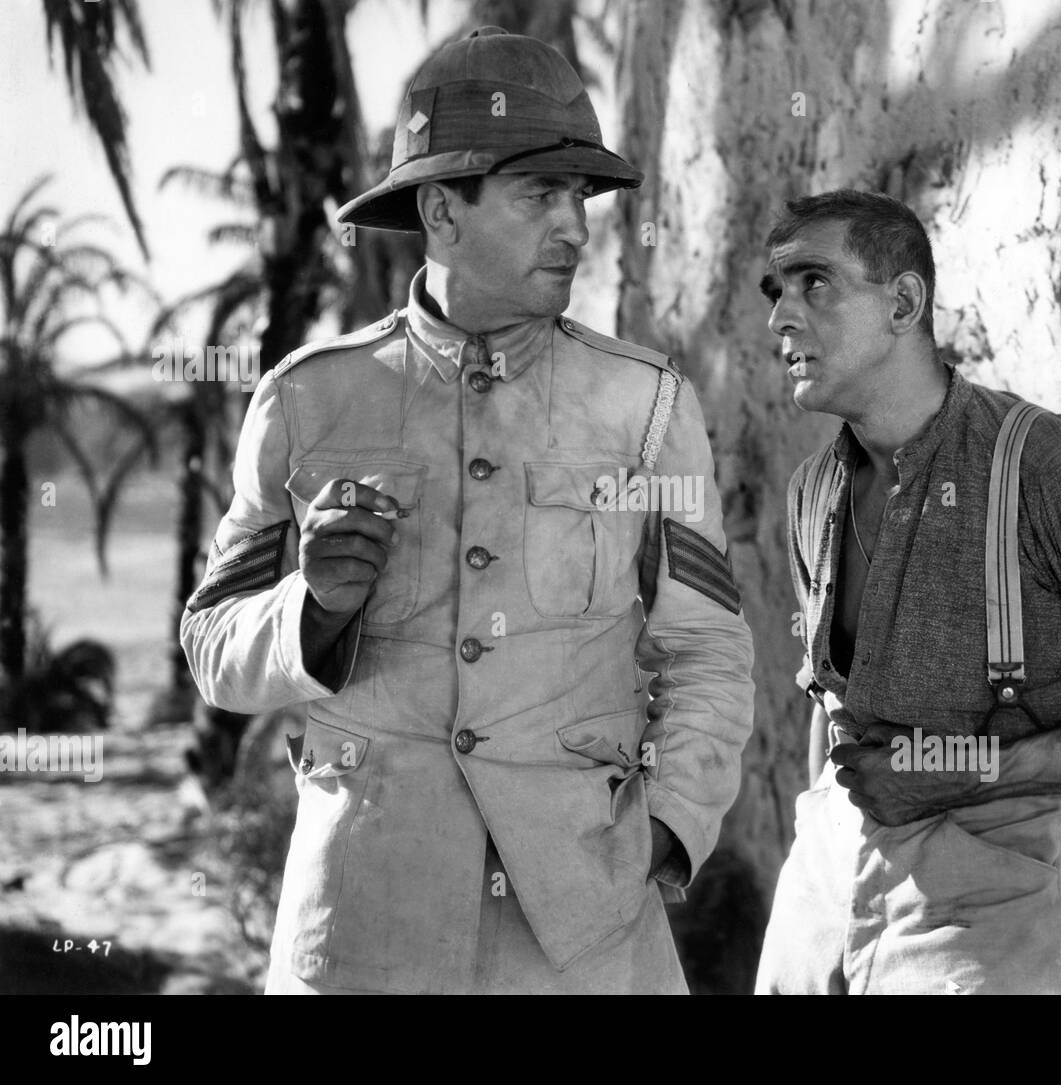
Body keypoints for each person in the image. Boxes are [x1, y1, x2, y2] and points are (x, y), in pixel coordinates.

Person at [180, 26, 754, 995]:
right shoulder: (309, 399)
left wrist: (667, 826)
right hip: (364, 919)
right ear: (442, 213)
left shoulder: (644, 403)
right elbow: (212, 647)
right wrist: (312, 609)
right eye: (541, 195)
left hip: (583, 932)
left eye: (580, 196)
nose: (574, 225)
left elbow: (707, 647)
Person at [753, 189, 1061, 994]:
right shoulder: (814, 489)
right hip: (823, 890)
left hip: (990, 914)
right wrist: (820, 832)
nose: (781, 319)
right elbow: (827, 700)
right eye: (776, 293)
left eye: (814, 283)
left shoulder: (1052, 469)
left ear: (904, 301)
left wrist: (973, 771)